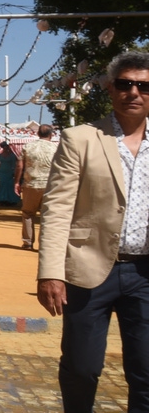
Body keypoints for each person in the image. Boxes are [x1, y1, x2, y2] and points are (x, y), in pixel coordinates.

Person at [38, 51, 149, 412]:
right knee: (83, 369)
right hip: (89, 271)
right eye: (124, 84)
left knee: (146, 372)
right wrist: (51, 272)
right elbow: (57, 209)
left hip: (145, 274)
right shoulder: (81, 139)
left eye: (143, 85)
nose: (133, 92)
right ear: (110, 89)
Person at [15, 124, 58, 251]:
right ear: (51, 135)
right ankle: (45, 244)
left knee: (28, 213)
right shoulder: (56, 148)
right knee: (47, 215)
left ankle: (28, 242)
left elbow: (19, 166)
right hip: (50, 185)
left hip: (30, 184)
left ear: (38, 134)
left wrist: (17, 182)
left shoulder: (28, 147)